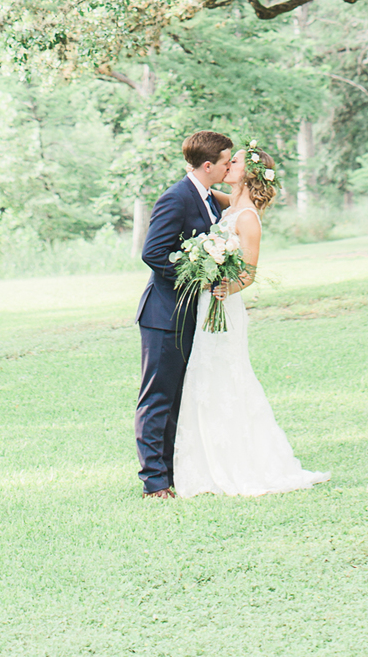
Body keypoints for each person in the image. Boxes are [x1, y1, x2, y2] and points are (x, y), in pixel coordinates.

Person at [171, 148, 329, 497]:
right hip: (206, 303)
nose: (229, 165)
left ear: (250, 173)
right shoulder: (230, 204)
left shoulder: (247, 218)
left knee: (226, 376)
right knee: (204, 375)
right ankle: (204, 460)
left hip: (223, 307)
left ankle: (241, 463)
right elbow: (201, 188)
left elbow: (250, 274)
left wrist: (225, 287)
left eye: (235, 162)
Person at [133, 130, 234, 498]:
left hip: (191, 315)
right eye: (226, 161)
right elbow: (154, 253)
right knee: (158, 397)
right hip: (164, 315)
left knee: (179, 396)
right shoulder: (175, 198)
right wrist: (199, 279)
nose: (228, 166)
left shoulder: (208, 197)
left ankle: (174, 473)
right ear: (208, 166)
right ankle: (154, 482)